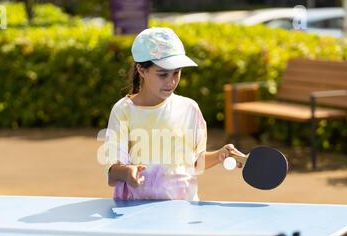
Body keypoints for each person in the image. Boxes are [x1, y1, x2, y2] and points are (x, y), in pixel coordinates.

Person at [101, 27, 243, 201]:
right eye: (163, 74)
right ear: (141, 70)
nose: (172, 81)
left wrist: (221, 155)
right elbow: (112, 171)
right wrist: (127, 172)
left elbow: (195, 163)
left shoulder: (190, 109)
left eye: (177, 72)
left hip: (183, 210)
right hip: (136, 210)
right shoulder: (123, 111)